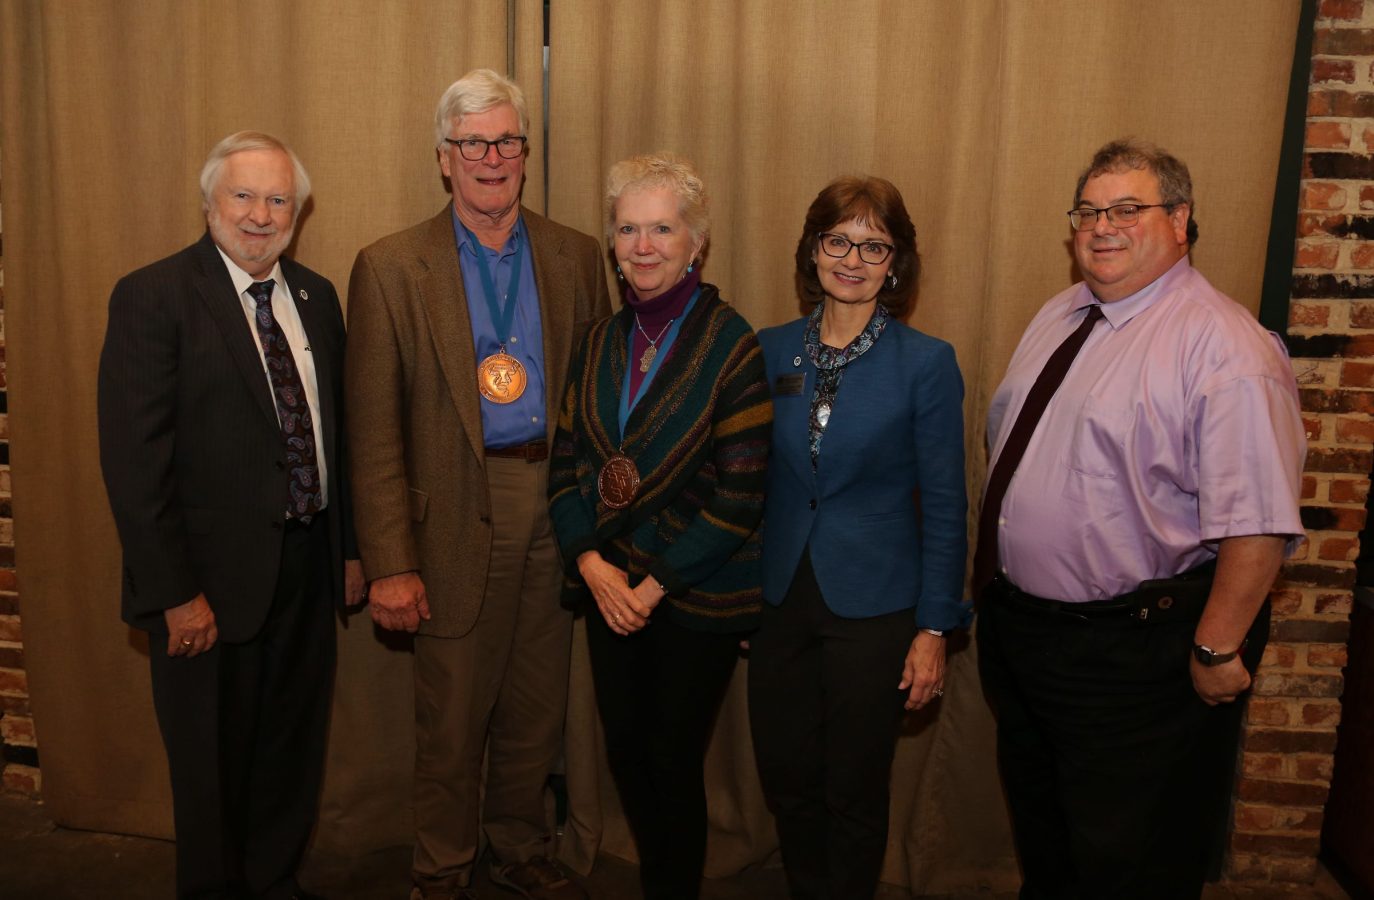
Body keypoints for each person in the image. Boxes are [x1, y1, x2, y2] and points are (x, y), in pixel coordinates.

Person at [974, 139, 1306, 900]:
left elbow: (1256, 525)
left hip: (1134, 655)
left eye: (1128, 208)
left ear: (1181, 221)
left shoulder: (1225, 349)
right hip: (1028, 636)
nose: (1102, 226)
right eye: (1088, 211)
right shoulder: (1062, 313)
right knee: (1050, 841)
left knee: (1131, 860)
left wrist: (1217, 650)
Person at [345, 69, 609, 900]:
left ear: (525, 155)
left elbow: (597, 404)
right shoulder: (390, 266)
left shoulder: (575, 255)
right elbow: (374, 428)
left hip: (553, 501)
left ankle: (518, 845)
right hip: (451, 511)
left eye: (506, 141)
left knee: (537, 702)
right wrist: (389, 559)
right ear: (444, 159)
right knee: (452, 713)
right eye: (473, 143)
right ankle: (443, 867)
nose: (491, 158)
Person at [97, 131, 363, 899]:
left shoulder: (316, 297)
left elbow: (332, 436)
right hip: (206, 590)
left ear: (298, 212)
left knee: (289, 752)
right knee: (211, 772)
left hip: (306, 572)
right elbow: (134, 465)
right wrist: (174, 593)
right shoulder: (154, 295)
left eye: (278, 199)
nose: (259, 215)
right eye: (243, 196)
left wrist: (347, 553)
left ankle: (274, 883)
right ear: (210, 202)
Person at [548, 153, 771, 900]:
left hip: (690, 597)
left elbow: (741, 496)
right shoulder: (597, 341)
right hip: (608, 589)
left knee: (672, 766)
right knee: (628, 756)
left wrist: (650, 587)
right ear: (612, 242)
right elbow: (565, 466)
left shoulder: (733, 343)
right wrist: (590, 563)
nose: (644, 246)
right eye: (628, 229)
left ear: (695, 243)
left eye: (662, 229)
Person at [749, 176, 968, 899]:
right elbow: (753, 484)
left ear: (895, 262)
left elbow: (944, 504)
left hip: (875, 607)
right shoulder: (771, 351)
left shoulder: (926, 363)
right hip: (780, 599)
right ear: (813, 251)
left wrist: (935, 626)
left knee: (852, 787)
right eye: (838, 240)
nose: (853, 258)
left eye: (874, 245)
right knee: (787, 776)